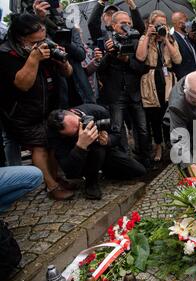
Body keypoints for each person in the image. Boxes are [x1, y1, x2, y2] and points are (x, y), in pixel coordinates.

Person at [0, 13, 74, 200]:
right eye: (36, 41)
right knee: (39, 147)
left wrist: (62, 60)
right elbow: (22, 84)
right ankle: (51, 187)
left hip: (48, 106)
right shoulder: (6, 53)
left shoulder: (45, 45)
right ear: (21, 38)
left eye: (43, 39)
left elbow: (68, 73)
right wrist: (33, 58)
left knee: (52, 144)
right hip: (22, 112)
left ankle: (56, 177)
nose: (42, 43)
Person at [47, 104, 146, 200]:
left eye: (79, 124)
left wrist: (108, 140)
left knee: (139, 170)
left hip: (106, 153)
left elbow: (116, 135)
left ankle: (106, 171)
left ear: (73, 112)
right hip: (82, 160)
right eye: (75, 131)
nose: (81, 131)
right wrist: (80, 146)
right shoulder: (56, 136)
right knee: (96, 147)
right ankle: (91, 182)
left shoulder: (97, 111)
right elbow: (69, 171)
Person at [97, 11, 152, 169]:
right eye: (123, 23)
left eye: (129, 23)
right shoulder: (104, 41)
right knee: (117, 130)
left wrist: (127, 60)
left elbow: (142, 68)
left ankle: (145, 158)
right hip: (115, 95)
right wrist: (109, 54)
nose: (127, 26)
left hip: (134, 93)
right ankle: (124, 162)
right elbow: (100, 71)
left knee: (142, 128)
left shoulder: (136, 41)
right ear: (113, 25)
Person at [136, 10, 181, 165]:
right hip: (151, 81)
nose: (161, 26)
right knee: (154, 116)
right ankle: (158, 146)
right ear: (151, 25)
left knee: (169, 114)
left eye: (163, 23)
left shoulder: (170, 39)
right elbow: (140, 57)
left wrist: (167, 38)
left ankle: (171, 144)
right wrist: (148, 36)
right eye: (158, 24)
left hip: (168, 80)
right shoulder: (145, 38)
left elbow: (178, 60)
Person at [172, 11, 196, 80]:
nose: (189, 23)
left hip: (194, 77)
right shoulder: (173, 40)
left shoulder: (187, 38)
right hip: (184, 80)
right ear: (179, 24)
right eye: (186, 20)